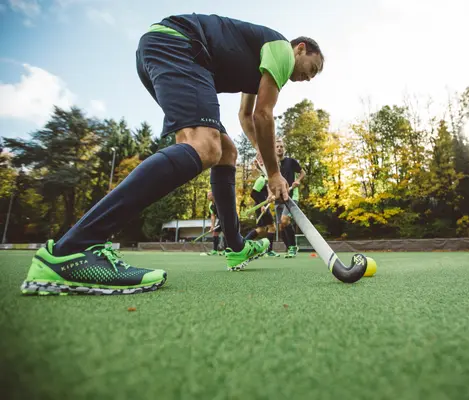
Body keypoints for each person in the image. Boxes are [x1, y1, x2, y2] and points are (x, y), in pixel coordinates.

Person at [21, 13, 324, 295]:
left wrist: (260, 152)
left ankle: (235, 246)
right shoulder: (282, 50)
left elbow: (246, 116)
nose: (308, 78)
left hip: (167, 49)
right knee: (205, 146)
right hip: (181, 47)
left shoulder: (263, 58)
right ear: (300, 49)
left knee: (225, 152)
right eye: (312, 69)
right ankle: (72, 249)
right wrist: (274, 174)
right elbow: (264, 115)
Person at [274, 138, 305, 258]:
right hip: (278, 198)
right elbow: (269, 182)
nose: (279, 148)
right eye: (277, 147)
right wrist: (271, 194)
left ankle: (292, 247)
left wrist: (297, 181)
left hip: (291, 196)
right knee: (281, 226)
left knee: (284, 220)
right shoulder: (273, 165)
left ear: (284, 148)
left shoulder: (291, 161)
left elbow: (303, 173)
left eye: (281, 146)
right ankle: (289, 248)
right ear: (274, 149)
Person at [243, 160, 279, 257]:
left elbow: (267, 194)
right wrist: (262, 205)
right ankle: (268, 251)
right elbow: (253, 193)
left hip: (262, 206)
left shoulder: (267, 180)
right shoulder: (261, 179)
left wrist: (271, 197)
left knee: (262, 229)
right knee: (270, 227)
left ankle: (242, 244)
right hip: (261, 207)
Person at [207, 191, 225, 256]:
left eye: (209, 195)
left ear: (213, 195)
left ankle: (226, 250)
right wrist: (212, 226)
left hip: (227, 218)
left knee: (225, 233)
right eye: (207, 195)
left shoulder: (220, 202)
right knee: (215, 232)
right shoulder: (210, 205)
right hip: (220, 220)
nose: (207, 197)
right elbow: (212, 215)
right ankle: (215, 250)